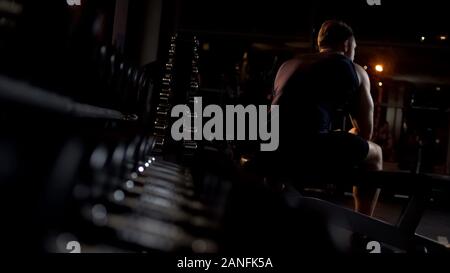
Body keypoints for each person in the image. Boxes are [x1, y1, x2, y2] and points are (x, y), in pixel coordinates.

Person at [271, 20, 383, 216]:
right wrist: (351, 133)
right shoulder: (355, 70)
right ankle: (362, 228)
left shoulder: (288, 65)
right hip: (310, 149)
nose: (354, 53)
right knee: (375, 154)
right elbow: (366, 132)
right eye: (354, 48)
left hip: (271, 147)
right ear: (347, 44)